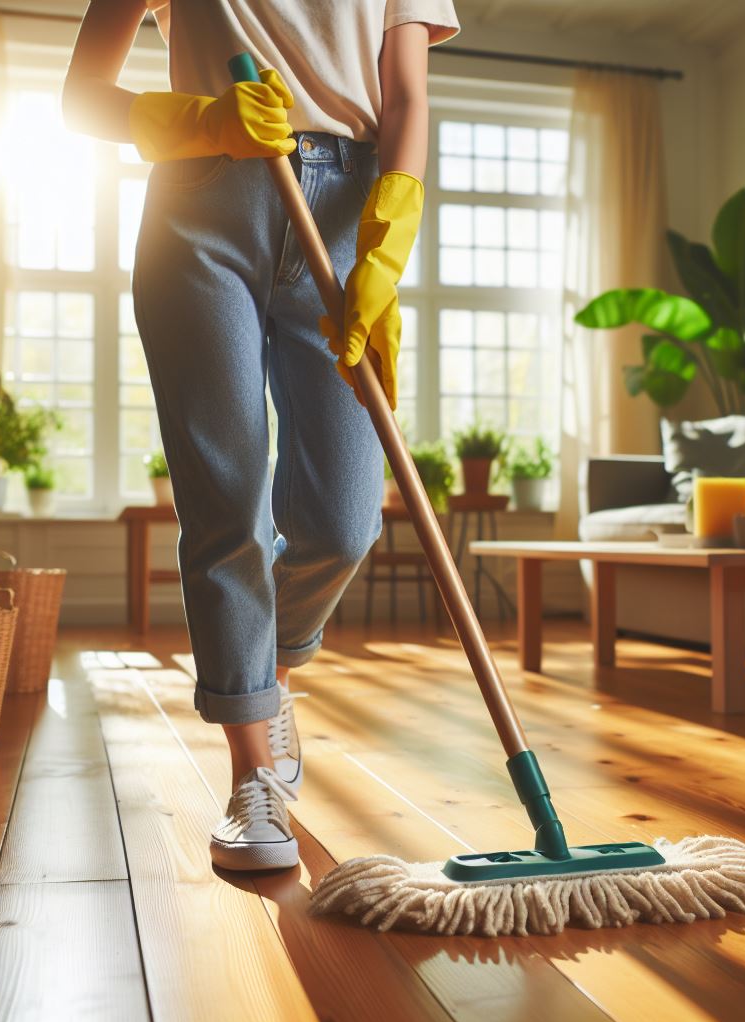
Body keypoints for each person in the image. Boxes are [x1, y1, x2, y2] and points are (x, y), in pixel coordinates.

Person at [63, 1, 459, 871]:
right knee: (228, 502)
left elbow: (406, 97)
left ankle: (266, 672)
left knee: (345, 518)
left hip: (353, 204)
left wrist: (386, 244)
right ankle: (252, 779)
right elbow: (81, 97)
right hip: (204, 201)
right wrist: (200, 118)